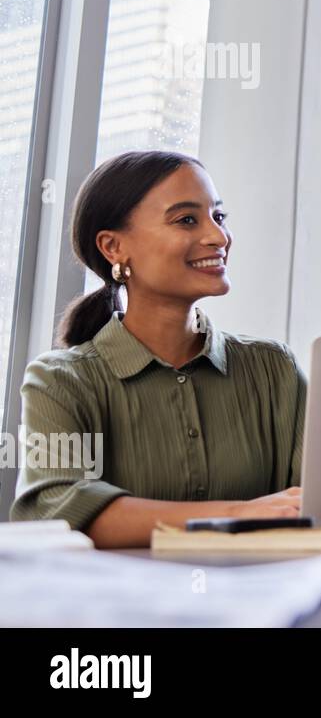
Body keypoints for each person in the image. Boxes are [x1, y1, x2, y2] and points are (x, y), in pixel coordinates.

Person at [10, 151, 305, 548]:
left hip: (269, 603)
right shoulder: (60, 382)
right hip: (116, 609)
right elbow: (58, 510)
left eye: (218, 217)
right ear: (113, 247)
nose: (218, 237)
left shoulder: (275, 369)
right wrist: (237, 514)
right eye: (186, 219)